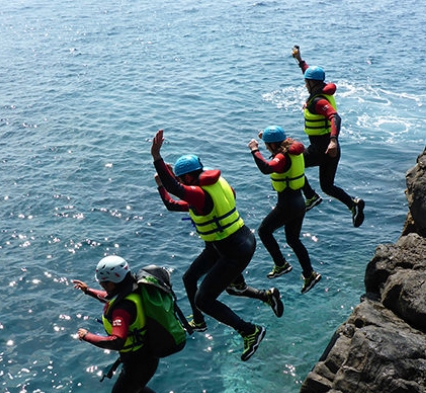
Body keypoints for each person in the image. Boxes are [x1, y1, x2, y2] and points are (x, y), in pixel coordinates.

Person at [151, 129, 281, 362]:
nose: (180, 182)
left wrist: (157, 158)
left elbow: (176, 191)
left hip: (233, 251)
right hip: (230, 242)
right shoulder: (216, 184)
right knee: (190, 279)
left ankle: (250, 331)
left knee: (204, 300)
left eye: (182, 179)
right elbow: (174, 203)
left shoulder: (200, 195)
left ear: (189, 178)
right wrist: (166, 180)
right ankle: (203, 320)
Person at [73, 255, 182, 393]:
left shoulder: (122, 310)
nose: (102, 287)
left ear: (111, 281)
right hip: (143, 356)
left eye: (102, 283)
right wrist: (88, 291)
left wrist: (87, 336)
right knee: (132, 388)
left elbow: (116, 341)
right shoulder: (132, 288)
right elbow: (109, 297)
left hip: (139, 361)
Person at [292, 45, 366, 227]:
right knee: (327, 186)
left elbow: (335, 116)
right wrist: (300, 60)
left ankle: (310, 196)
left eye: (306, 82)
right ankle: (353, 204)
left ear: (312, 84)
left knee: (293, 163)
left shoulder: (318, 101)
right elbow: (309, 73)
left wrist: (332, 140)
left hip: (322, 148)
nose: (304, 84)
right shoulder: (321, 90)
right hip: (331, 150)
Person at [248, 125, 322, 293]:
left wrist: (255, 151)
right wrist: (264, 137)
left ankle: (281, 264)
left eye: (268, 145)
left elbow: (266, 168)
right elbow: (281, 143)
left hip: (287, 205)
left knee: (264, 231)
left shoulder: (282, 157)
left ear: (274, 145)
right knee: (293, 240)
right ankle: (310, 274)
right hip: (299, 203)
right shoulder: (292, 149)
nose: (267, 147)